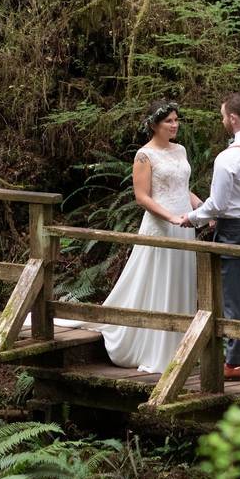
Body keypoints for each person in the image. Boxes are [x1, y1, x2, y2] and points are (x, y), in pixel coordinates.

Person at [94, 99, 204, 373]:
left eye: (177, 120)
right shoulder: (144, 155)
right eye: (169, 121)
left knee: (181, 278)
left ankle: (181, 346)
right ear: (154, 125)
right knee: (159, 278)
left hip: (184, 224)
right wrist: (170, 217)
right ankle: (155, 347)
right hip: (161, 224)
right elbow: (142, 197)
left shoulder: (181, 150)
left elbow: (182, 187)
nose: (174, 125)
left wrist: (201, 207)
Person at [179, 92, 240, 381]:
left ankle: (234, 363)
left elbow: (218, 204)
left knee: (233, 296)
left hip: (233, 229)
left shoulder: (229, 157)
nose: (222, 121)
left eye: (223, 116)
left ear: (233, 118)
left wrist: (193, 218)